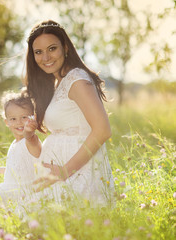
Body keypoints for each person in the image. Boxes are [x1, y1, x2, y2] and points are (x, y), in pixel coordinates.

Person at [24, 20, 115, 206]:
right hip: (63, 171)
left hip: (78, 172)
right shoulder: (59, 82)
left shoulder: (76, 79)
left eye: (52, 48)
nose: (46, 57)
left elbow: (103, 130)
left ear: (65, 48)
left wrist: (64, 172)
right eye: (38, 52)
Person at [0, 91, 42, 211]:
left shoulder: (31, 141)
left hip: (25, 192)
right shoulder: (14, 144)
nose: (19, 122)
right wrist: (0, 170)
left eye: (24, 117)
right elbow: (19, 170)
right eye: (13, 119)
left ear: (33, 117)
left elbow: (35, 149)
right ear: (7, 122)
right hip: (11, 189)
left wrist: (29, 134)